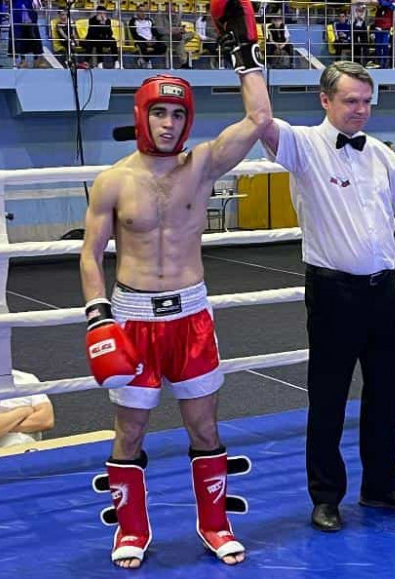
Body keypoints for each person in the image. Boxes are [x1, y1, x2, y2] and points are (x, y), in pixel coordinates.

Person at [80, 0, 269, 568]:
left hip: (191, 315)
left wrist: (244, 54)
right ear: (143, 115)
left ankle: (215, 524)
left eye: (177, 115)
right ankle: (130, 531)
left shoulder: (202, 165)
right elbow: (90, 254)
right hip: (132, 317)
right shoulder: (113, 181)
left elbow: (259, 120)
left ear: (188, 121)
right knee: (130, 429)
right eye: (159, 113)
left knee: (204, 425)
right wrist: (97, 316)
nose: (168, 123)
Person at [259, 61, 395, 532]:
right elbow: (261, 120)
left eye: (366, 101)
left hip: (381, 291)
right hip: (332, 292)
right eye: (350, 101)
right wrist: (249, 65)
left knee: (384, 394)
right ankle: (325, 497)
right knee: (329, 398)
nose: (360, 110)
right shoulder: (303, 145)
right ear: (325, 100)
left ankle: (380, 487)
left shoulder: (381, 154)